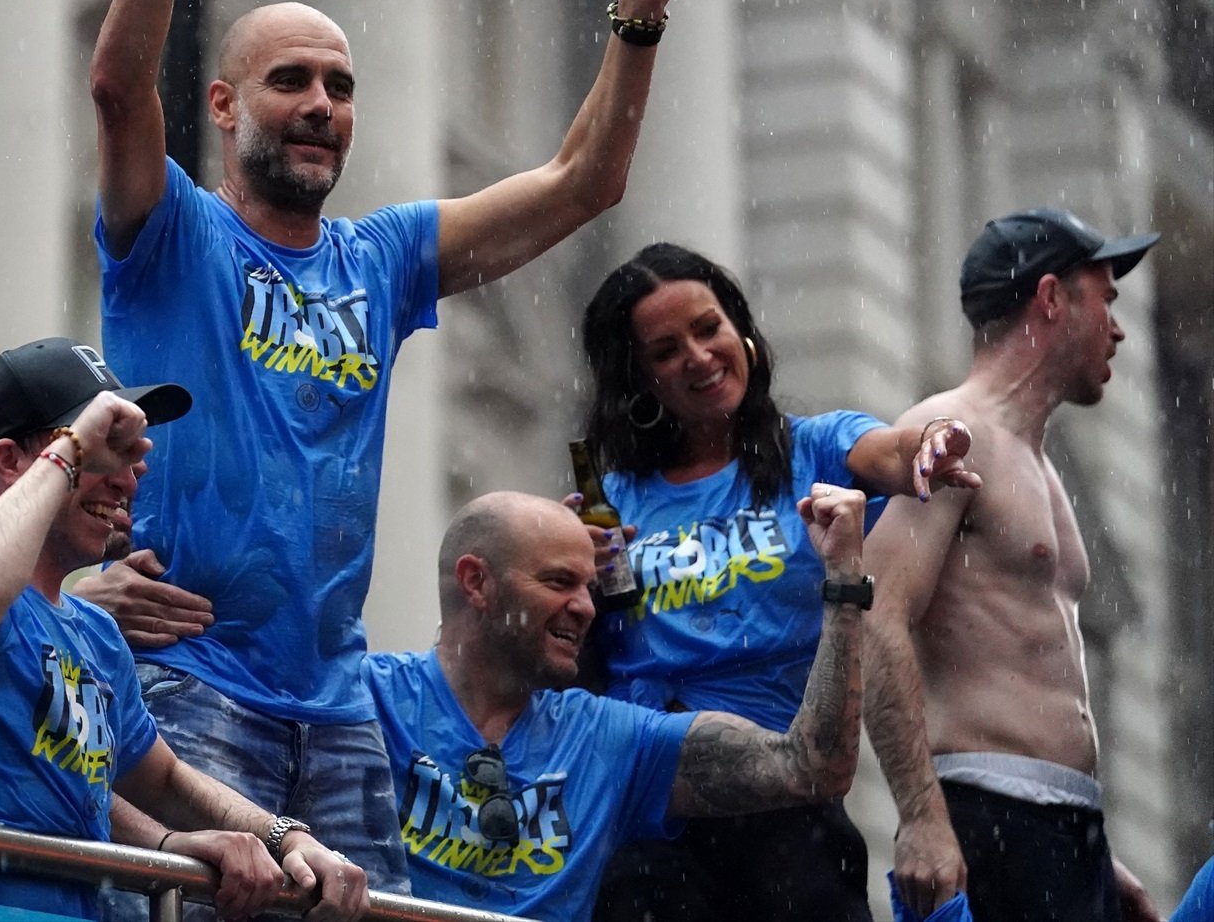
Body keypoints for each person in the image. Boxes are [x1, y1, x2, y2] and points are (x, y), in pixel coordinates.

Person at [81, 0, 760, 880]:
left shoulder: (381, 258)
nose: (321, 104)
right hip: (188, 680)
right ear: (227, 106)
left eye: (341, 87)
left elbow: (585, 183)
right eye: (288, 80)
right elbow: (115, 83)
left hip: (336, 697)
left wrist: (639, 12)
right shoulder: (175, 237)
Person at [0, 338, 367, 921]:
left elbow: (167, 780)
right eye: (103, 448)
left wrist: (286, 838)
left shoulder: (97, 635)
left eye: (129, 453)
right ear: (10, 462)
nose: (129, 475)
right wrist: (72, 450)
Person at [577, 242, 981, 920]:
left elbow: (890, 451)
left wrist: (934, 443)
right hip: (653, 811)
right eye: (667, 350)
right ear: (639, 379)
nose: (700, 357)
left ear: (742, 331)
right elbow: (584, 669)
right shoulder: (606, 501)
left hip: (790, 800)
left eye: (709, 329)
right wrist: (571, 580)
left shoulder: (815, 449)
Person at [367, 488, 869, 922]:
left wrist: (845, 584)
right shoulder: (367, 699)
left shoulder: (607, 737)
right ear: (476, 582)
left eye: (588, 587)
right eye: (559, 582)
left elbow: (813, 767)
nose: (587, 607)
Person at [865, 208, 1164, 922]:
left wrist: (1088, 845)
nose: (1118, 329)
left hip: (1064, 831)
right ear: (1053, 298)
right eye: (1107, 300)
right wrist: (921, 817)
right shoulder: (952, 433)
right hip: (986, 822)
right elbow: (876, 615)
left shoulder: (1040, 465)